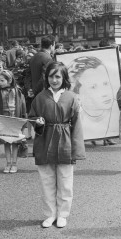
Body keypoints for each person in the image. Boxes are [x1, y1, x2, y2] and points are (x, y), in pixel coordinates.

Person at [28, 61, 85, 228]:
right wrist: (37, 122)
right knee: (47, 180)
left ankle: (63, 214)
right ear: (47, 78)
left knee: (65, 181)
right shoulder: (40, 97)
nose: (54, 80)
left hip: (65, 142)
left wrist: (77, 149)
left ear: (64, 78)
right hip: (45, 140)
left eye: (58, 76)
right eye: (51, 76)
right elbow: (32, 117)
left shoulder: (72, 97)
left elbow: (77, 124)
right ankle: (50, 214)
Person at [0, 69, 27, 174]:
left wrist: (23, 121)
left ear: (9, 80)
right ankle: (8, 163)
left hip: (15, 118)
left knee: (15, 142)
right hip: (3, 119)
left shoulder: (18, 91)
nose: (0, 83)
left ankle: (14, 163)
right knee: (6, 142)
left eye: (2, 80)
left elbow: (23, 106)